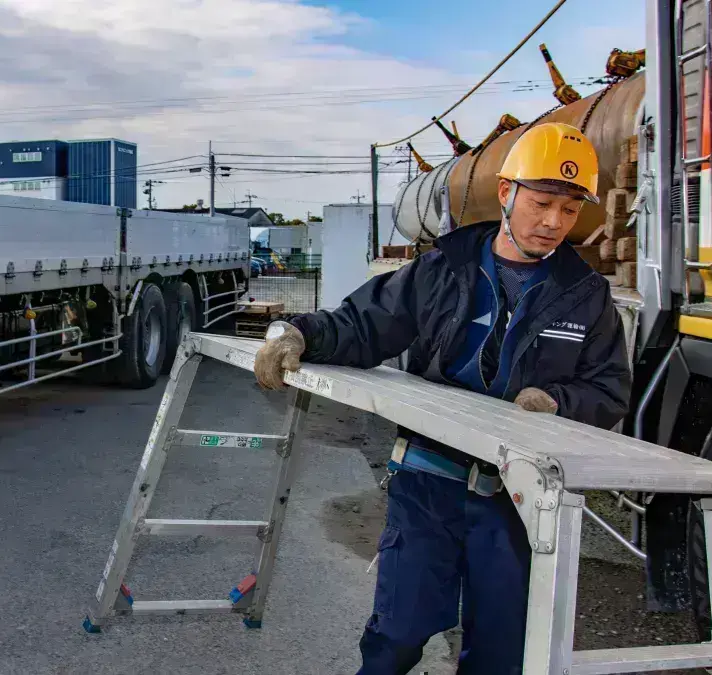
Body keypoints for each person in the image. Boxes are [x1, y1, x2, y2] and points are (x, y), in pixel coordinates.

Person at [253, 122, 631, 674]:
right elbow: (364, 325)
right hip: (428, 481)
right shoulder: (446, 268)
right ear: (507, 192)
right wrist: (299, 333)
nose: (553, 222)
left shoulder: (587, 295)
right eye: (543, 202)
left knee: (502, 652)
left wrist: (557, 402)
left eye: (570, 210)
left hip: (519, 500)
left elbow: (608, 391)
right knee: (397, 635)